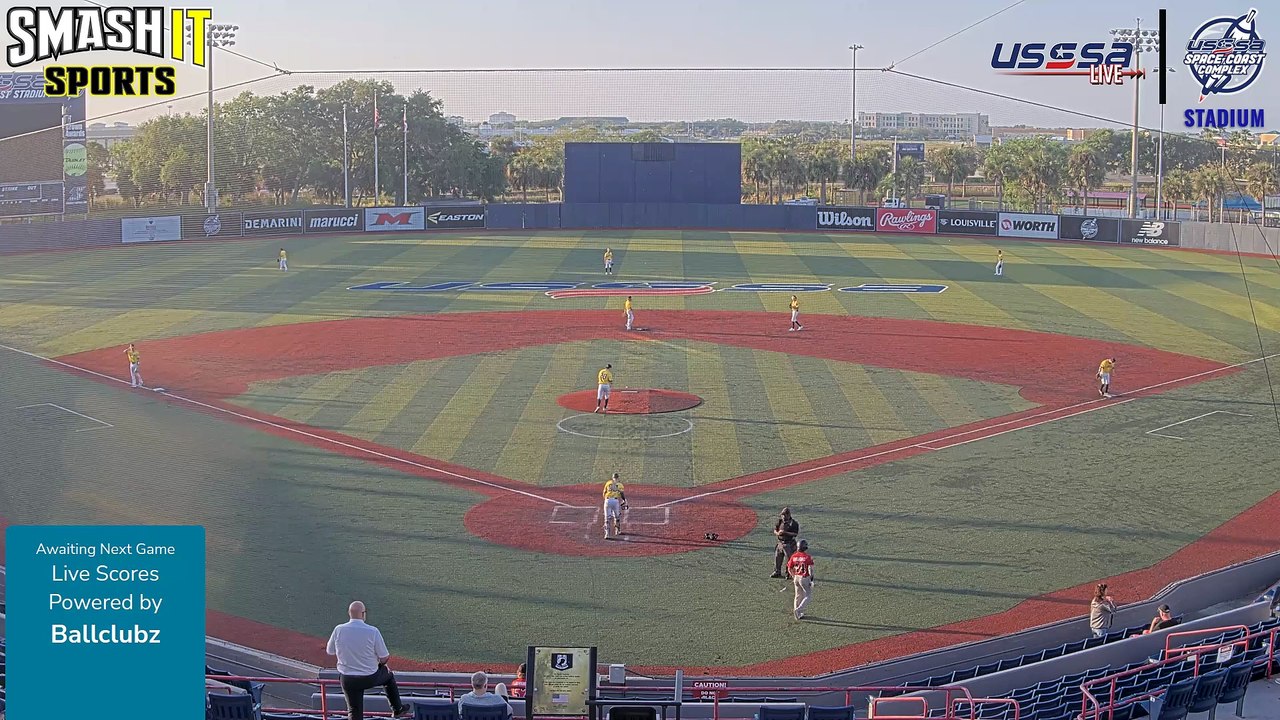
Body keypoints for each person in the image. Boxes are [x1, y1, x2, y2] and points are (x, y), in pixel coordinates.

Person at [326, 601, 412, 720]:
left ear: (349, 613)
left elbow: (330, 651)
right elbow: (384, 657)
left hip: (348, 679)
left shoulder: (338, 629)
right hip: (369, 677)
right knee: (389, 677)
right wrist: (380, 665)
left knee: (354, 711)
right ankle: (397, 709)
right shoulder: (373, 631)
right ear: (363, 614)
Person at [787, 539, 815, 620]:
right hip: (804, 577)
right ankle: (798, 609)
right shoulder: (807, 557)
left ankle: (797, 613)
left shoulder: (794, 556)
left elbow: (789, 568)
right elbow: (810, 569)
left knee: (798, 595)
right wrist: (811, 580)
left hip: (796, 577)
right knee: (808, 596)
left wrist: (793, 576)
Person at [770, 508, 800, 578]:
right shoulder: (780, 521)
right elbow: (775, 530)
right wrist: (778, 533)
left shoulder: (793, 523)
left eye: (784, 515)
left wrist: (785, 533)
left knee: (789, 559)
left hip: (789, 543)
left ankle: (789, 573)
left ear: (789, 515)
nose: (783, 517)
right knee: (777, 558)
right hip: (780, 543)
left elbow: (795, 534)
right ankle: (777, 571)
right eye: (782, 515)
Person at [602, 472, 627, 539]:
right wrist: (624, 500)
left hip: (607, 500)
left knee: (607, 518)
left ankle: (607, 534)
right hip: (615, 501)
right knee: (617, 516)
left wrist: (606, 499)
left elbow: (604, 492)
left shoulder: (608, 483)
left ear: (612, 478)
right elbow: (622, 494)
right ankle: (617, 531)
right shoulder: (620, 485)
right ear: (618, 478)